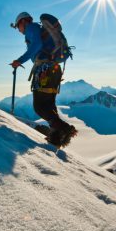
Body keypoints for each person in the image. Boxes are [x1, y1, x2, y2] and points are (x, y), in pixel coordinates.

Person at [10, 12, 77, 148]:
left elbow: (36, 46)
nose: (19, 30)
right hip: (54, 70)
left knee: (39, 107)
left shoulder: (32, 28)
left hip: (45, 71)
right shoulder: (37, 29)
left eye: (18, 26)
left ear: (23, 22)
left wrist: (19, 60)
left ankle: (65, 129)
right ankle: (56, 138)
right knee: (49, 105)